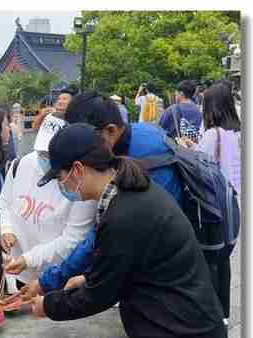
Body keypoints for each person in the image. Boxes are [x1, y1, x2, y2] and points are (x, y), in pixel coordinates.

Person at [29, 123, 227, 338]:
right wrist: (88, 278)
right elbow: (131, 263)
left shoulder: (124, 214)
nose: (62, 186)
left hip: (182, 328)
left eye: (60, 178)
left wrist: (47, 306)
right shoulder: (129, 192)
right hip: (186, 320)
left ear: (77, 169)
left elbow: (99, 296)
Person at [0, 113, 96, 291]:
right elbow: (4, 204)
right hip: (20, 273)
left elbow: (73, 240)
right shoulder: (21, 165)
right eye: (41, 152)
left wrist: (30, 259)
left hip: (58, 279)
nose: (44, 158)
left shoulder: (81, 184)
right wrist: (6, 229)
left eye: (50, 155)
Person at [183, 83, 241, 325]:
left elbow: (202, 166)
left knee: (208, 256)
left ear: (211, 107)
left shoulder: (212, 134)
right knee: (223, 256)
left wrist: (187, 148)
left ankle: (209, 313)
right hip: (232, 200)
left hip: (212, 203)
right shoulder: (238, 132)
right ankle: (224, 313)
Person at [67, 91, 182, 204]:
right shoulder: (140, 129)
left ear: (111, 130)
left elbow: (155, 211)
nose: (82, 147)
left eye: (86, 141)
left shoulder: (147, 159)